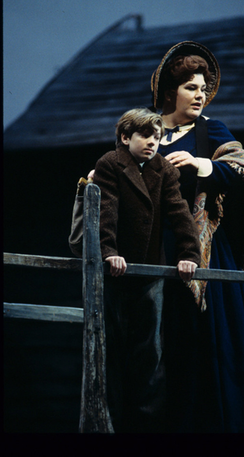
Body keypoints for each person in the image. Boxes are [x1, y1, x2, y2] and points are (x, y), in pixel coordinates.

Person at [149, 41, 244, 432]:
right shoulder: (144, 131)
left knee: (207, 348)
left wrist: (204, 165)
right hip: (154, 250)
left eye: (203, 88)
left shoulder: (210, 130)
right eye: (191, 87)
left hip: (202, 251)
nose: (200, 95)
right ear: (170, 91)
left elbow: (242, 173)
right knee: (156, 347)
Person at [69, 107, 201, 432]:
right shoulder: (110, 163)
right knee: (110, 349)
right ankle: (108, 425)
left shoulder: (164, 170)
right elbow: (107, 210)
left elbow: (179, 212)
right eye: (145, 136)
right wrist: (109, 252)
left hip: (149, 272)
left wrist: (188, 254)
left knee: (150, 353)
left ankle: (145, 428)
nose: (152, 143)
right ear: (126, 137)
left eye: (157, 137)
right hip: (116, 274)